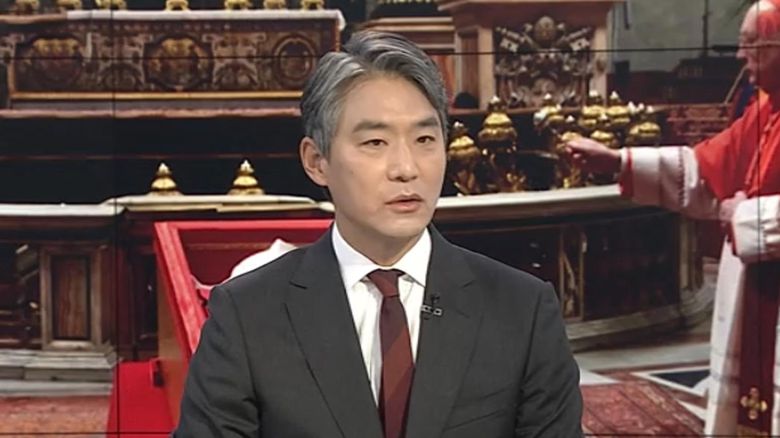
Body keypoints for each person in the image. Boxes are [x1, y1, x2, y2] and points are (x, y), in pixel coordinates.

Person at [174, 31, 583, 437]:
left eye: (425, 139)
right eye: (375, 142)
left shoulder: (522, 310)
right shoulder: (246, 315)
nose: (406, 168)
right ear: (316, 161)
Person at [566, 1, 780, 434]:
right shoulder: (765, 110)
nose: (741, 56)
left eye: (752, 45)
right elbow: (706, 169)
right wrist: (617, 161)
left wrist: (745, 217)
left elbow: (733, 202)